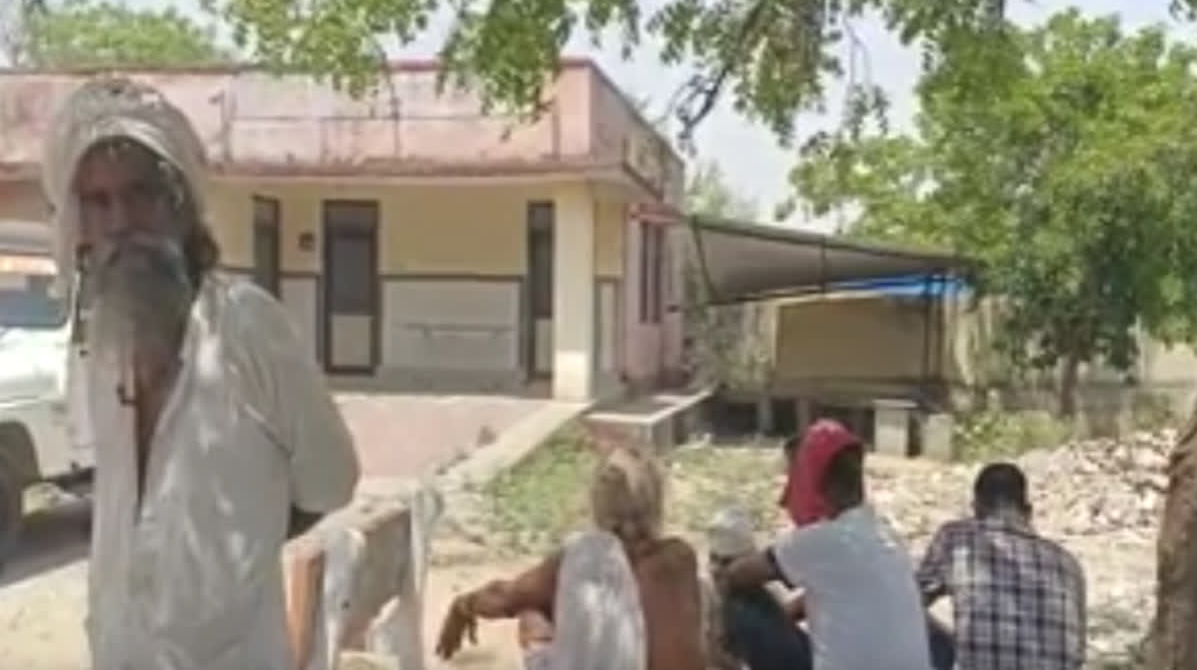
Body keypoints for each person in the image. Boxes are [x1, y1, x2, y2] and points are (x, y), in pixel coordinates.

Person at [44, 77, 361, 668]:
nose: (119, 222)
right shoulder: (105, 342)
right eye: (97, 201)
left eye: (139, 194)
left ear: (178, 204)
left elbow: (331, 483)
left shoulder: (245, 326)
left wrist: (226, 575)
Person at [435, 444, 707, 670]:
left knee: (532, 611)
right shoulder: (680, 559)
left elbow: (505, 597)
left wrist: (463, 606)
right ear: (656, 502)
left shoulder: (582, 557)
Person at [716, 419, 932, 670]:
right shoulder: (883, 533)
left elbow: (738, 575)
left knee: (738, 599)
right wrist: (784, 616)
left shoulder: (820, 540)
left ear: (812, 480)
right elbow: (829, 595)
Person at [917, 462, 1087, 669]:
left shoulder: (957, 539)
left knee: (924, 627)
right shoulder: (1068, 564)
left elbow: (908, 603)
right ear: (1028, 512)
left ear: (976, 508)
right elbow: (1077, 655)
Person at [702, 507, 812, 670]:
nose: (717, 569)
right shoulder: (756, 602)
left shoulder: (742, 609)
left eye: (726, 562)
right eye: (714, 559)